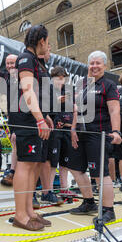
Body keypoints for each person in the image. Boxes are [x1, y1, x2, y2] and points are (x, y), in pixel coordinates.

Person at [68, 50, 122, 224]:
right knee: (76, 168)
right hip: (81, 133)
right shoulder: (82, 83)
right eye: (91, 63)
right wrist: (73, 129)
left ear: (105, 66)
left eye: (98, 63)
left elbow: (114, 109)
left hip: (98, 133)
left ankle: (108, 210)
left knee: (100, 173)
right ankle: (89, 202)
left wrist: (116, 131)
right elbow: (77, 108)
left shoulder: (109, 85)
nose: (94, 66)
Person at [11, 25, 54, 231]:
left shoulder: (36, 61)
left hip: (34, 118)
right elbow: (28, 90)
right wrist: (39, 119)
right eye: (47, 41)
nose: (48, 45)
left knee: (33, 165)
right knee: (25, 165)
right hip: (26, 120)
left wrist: (45, 116)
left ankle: (29, 211)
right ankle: (20, 215)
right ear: (42, 41)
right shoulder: (26, 59)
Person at [42, 66, 74, 204]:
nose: (61, 82)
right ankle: (47, 190)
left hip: (67, 128)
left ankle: (64, 187)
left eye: (63, 79)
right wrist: (57, 101)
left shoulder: (68, 91)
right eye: (59, 79)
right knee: (52, 160)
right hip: (54, 129)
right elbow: (43, 109)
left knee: (65, 161)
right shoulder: (48, 90)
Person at [0, 54, 18, 187]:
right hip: (13, 117)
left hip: (27, 116)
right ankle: (13, 171)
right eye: (8, 63)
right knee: (14, 141)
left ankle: (14, 172)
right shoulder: (6, 76)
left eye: (13, 63)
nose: (10, 66)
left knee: (17, 141)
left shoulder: (25, 76)